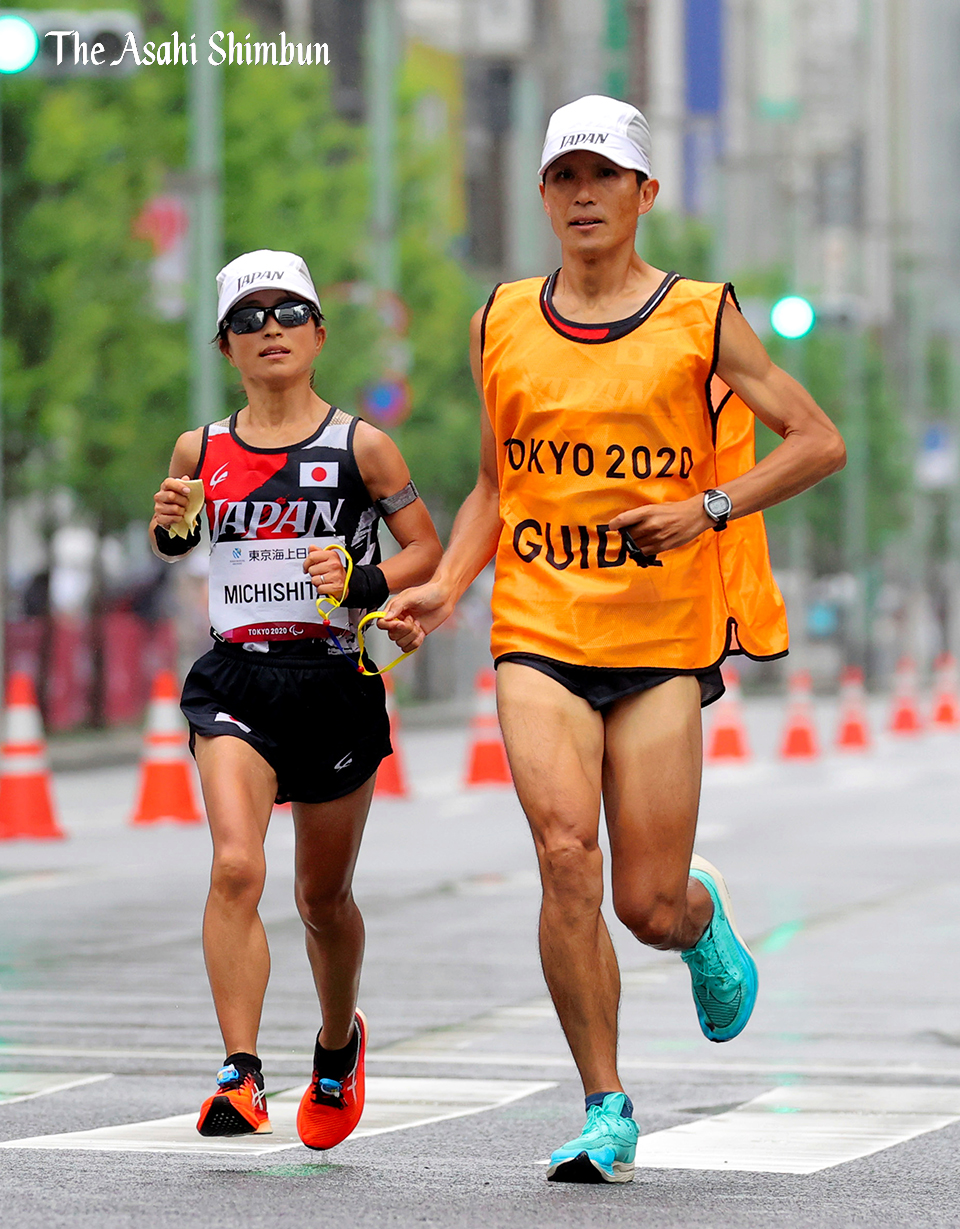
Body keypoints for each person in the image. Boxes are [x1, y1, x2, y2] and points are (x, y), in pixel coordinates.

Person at [385, 97, 845, 1184]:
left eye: (606, 175)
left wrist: (713, 506)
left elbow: (816, 440)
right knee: (562, 854)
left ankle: (700, 916)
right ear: (543, 194)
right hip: (538, 625)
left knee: (644, 897)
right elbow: (500, 485)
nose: (584, 194)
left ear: (645, 193)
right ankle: (605, 1102)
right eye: (565, 176)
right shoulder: (500, 316)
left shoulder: (700, 317)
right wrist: (448, 584)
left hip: (661, 635)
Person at [150, 249, 441, 1148]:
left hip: (335, 686)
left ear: (318, 333)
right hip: (236, 681)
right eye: (248, 318)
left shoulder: (361, 445)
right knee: (237, 866)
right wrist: (170, 527)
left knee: (323, 899)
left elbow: (426, 550)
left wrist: (362, 579)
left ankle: (337, 1041)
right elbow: (177, 536)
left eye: (287, 313)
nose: (268, 330)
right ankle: (239, 1072)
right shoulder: (203, 447)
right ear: (226, 346)